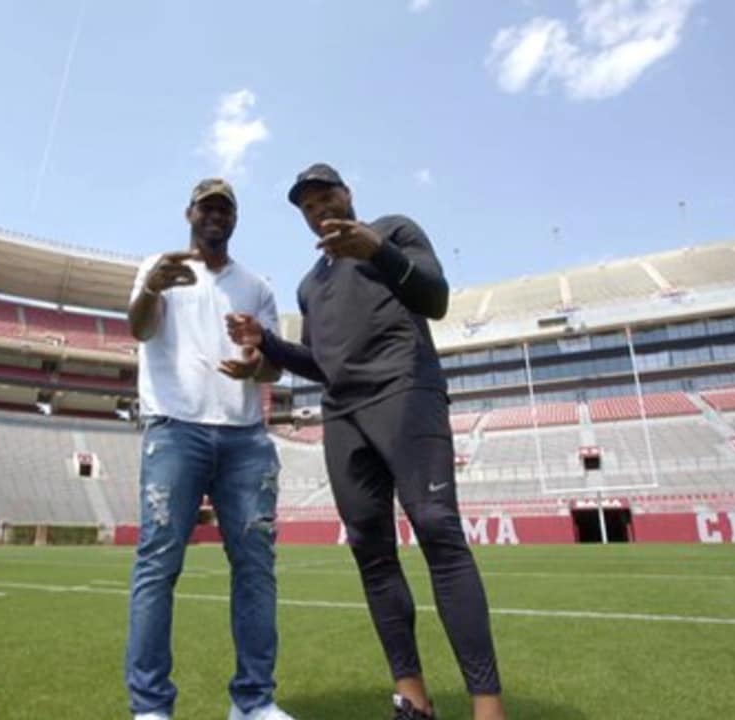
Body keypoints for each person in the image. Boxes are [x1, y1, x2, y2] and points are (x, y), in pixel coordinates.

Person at [226, 164, 506, 720]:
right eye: (307, 206)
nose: (318, 209)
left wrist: (376, 249)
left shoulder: (395, 230)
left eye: (326, 196)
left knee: (436, 529)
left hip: (405, 389)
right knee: (371, 551)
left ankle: (487, 705)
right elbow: (320, 363)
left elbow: (436, 298)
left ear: (347, 194)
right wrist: (269, 344)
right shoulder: (311, 285)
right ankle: (413, 698)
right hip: (343, 414)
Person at [125, 178, 294, 720]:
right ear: (189, 213)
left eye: (225, 208)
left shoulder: (256, 286)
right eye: (206, 207)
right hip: (175, 428)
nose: (215, 215)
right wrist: (151, 288)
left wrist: (255, 363)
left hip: (245, 435)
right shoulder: (161, 269)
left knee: (255, 569)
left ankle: (254, 702)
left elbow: (272, 365)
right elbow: (139, 329)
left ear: (235, 219)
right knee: (158, 564)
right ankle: (150, 708)